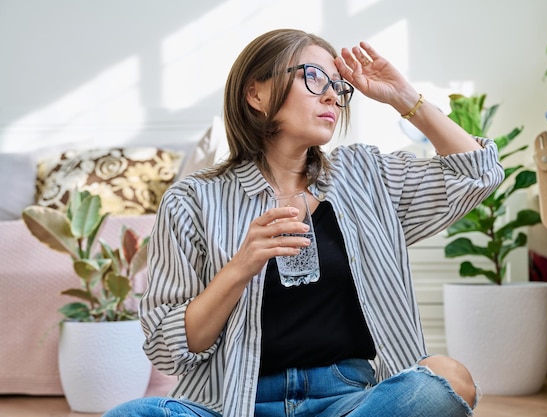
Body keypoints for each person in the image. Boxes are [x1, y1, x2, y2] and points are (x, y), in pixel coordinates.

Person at [103, 28, 503, 417]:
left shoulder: (365, 175)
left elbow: (477, 174)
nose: (332, 93)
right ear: (255, 93)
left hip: (347, 400)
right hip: (235, 401)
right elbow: (167, 347)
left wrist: (404, 97)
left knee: (447, 379)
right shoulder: (193, 200)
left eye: (338, 86)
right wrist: (241, 266)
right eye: (313, 78)